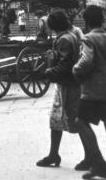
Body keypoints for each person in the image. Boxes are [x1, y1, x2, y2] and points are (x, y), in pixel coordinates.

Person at [73, 5, 106, 180]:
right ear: (102, 20)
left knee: (80, 122)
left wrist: (75, 69)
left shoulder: (88, 39)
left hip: (92, 91)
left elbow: (86, 62)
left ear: (86, 22)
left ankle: (98, 161)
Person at [36, 9, 89, 171]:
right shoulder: (69, 36)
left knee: (77, 121)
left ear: (53, 25)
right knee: (56, 120)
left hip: (68, 86)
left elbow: (65, 65)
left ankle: (91, 156)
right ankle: (54, 154)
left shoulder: (64, 39)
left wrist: (48, 72)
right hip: (68, 84)